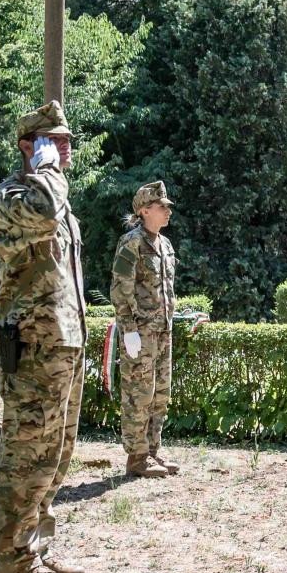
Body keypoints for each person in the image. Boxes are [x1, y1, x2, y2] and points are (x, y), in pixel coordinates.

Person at [0, 101, 89, 573]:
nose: (65, 149)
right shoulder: (11, 197)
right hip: (31, 348)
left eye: (66, 141)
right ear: (28, 146)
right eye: (54, 140)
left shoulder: (59, 202)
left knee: (56, 455)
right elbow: (45, 209)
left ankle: (37, 547)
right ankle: (15, 562)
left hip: (64, 344)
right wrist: (46, 168)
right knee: (27, 458)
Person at [111, 181, 179, 477]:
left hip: (162, 331)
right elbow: (120, 287)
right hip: (139, 333)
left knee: (160, 393)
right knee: (139, 394)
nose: (168, 211)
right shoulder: (131, 242)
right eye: (162, 206)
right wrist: (128, 329)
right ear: (144, 210)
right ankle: (136, 458)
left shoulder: (165, 245)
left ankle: (152, 451)